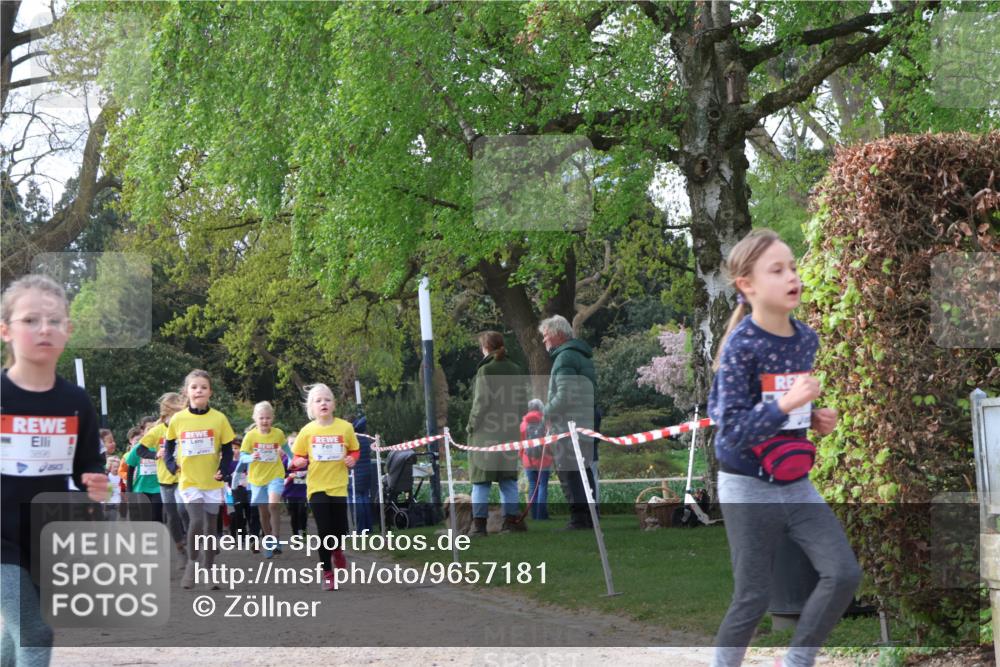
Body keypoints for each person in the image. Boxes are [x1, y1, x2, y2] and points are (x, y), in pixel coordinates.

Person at [707, 229, 861, 667]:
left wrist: (812, 418)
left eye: (792, 266)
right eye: (777, 270)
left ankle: (797, 660)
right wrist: (788, 404)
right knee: (752, 599)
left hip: (795, 483)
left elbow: (784, 410)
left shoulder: (805, 338)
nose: (792, 275)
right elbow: (732, 429)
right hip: (747, 487)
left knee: (843, 573)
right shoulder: (741, 347)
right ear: (748, 285)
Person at [1, 274, 108, 667]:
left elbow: (88, 464)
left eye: (54, 321)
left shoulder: (75, 401)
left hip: (48, 537)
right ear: (5, 330)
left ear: (68, 330)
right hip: (1, 540)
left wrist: (95, 481)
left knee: (19, 632)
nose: (44, 329)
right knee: (36, 631)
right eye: (30, 320)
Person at [164, 369, 237, 590]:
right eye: (194, 387)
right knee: (196, 521)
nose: (199, 391)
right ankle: (192, 566)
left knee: (210, 528)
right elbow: (168, 447)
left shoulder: (219, 419)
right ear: (187, 391)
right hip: (189, 480)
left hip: (212, 482)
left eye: (203, 387)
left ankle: (208, 571)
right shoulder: (178, 419)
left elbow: (227, 449)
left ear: (210, 392)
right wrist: (170, 465)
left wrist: (224, 471)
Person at [291, 384, 359, 591]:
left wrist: (351, 460)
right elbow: (297, 457)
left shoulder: (345, 428)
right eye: (318, 400)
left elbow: (355, 450)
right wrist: (298, 463)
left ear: (334, 404)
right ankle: (328, 574)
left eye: (327, 399)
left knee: (339, 529)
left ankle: (337, 550)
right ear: (311, 407)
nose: (323, 403)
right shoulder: (307, 431)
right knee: (324, 530)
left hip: (338, 486)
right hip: (317, 487)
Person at [538, 315, 598, 530]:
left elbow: (564, 396)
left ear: (558, 335)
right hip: (583, 421)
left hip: (568, 424)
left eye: (546, 337)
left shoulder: (564, 358)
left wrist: (545, 412)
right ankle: (590, 516)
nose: (544, 341)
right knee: (583, 470)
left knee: (569, 472)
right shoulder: (581, 356)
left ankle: (579, 518)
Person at [466, 331, 526, 536]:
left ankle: (479, 526)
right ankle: (512, 523)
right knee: (508, 481)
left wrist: (471, 426)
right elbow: (522, 405)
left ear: (486, 348)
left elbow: (481, 403)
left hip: (485, 435)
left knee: (481, 482)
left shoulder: (485, 371)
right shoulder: (516, 369)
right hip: (509, 433)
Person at [132, 392, 190, 567]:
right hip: (165, 480)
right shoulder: (157, 431)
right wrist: (155, 454)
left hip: (183, 477)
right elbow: (139, 450)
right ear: (165, 415)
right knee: (172, 516)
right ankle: (180, 548)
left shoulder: (185, 428)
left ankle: (193, 539)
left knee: (183, 509)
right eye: (174, 415)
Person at [236, 402, 288, 558]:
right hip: (257, 479)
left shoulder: (278, 433)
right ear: (255, 418)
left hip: (275, 474)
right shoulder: (250, 436)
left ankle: (276, 538)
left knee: (273, 505)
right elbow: (242, 456)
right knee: (263, 513)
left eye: (268, 418)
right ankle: (268, 540)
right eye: (261, 418)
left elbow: (286, 448)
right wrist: (251, 457)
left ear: (272, 418)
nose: (265, 421)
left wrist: (291, 459)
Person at [519, 398, 552, 521]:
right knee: (543, 485)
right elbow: (549, 442)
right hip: (544, 458)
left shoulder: (523, 424)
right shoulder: (546, 422)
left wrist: (522, 457)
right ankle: (542, 516)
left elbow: (521, 443)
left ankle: (534, 515)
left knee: (533, 486)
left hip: (528, 459)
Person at [124, 424, 163, 525]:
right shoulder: (138, 448)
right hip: (141, 488)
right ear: (144, 434)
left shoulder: (161, 447)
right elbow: (130, 469)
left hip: (157, 487)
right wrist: (129, 490)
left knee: (157, 515)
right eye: (148, 431)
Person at [282, 432, 309, 538]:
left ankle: (304, 532)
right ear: (287, 445)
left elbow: (313, 470)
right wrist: (289, 475)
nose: (293, 445)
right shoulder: (285, 459)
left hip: (304, 491)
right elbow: (280, 474)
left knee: (302, 511)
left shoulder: (306, 458)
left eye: (295, 443)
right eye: (291, 443)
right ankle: (295, 535)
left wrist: (308, 473)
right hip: (290, 492)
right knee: (294, 514)